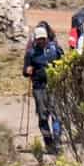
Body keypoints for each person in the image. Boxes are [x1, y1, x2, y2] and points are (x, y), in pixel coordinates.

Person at [20, 22, 64, 154]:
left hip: (54, 85)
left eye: (43, 39)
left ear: (46, 38)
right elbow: (25, 71)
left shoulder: (55, 49)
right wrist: (27, 70)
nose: (41, 41)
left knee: (57, 114)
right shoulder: (31, 53)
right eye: (39, 39)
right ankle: (48, 142)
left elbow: (63, 62)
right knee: (43, 116)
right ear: (35, 39)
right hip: (39, 88)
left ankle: (57, 140)